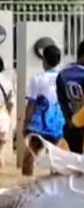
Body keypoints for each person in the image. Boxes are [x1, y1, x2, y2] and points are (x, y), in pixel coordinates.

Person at [22, 45, 65, 176]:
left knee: (30, 158)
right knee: (56, 161)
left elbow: (31, 104)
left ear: (44, 60)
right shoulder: (63, 77)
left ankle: (26, 186)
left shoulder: (38, 79)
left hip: (38, 126)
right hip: (59, 125)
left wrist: (26, 123)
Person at [56, 40, 84, 154]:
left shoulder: (62, 74)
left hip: (72, 126)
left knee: (74, 160)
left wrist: (69, 121)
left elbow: (61, 101)